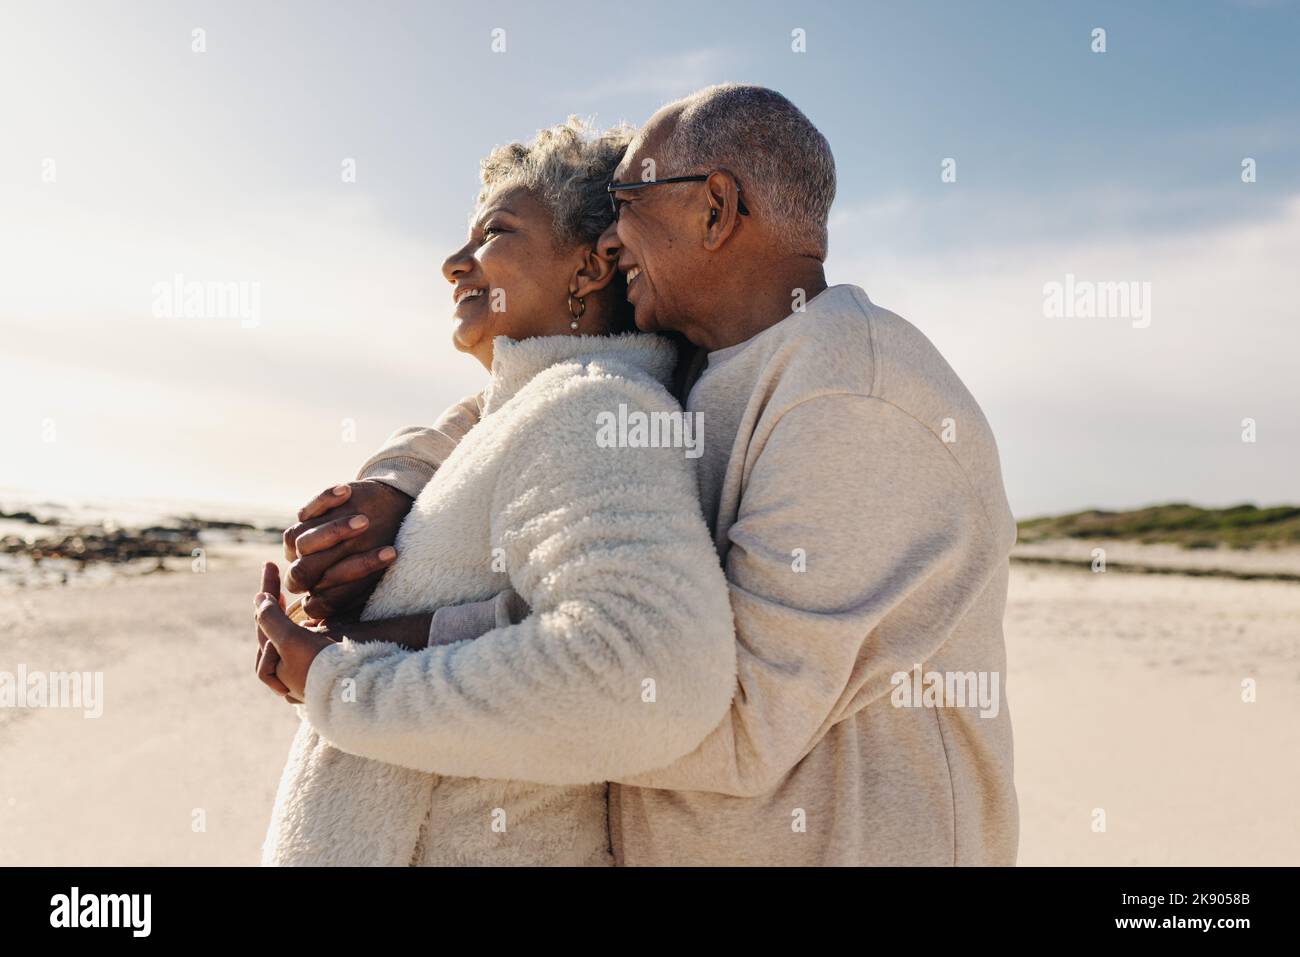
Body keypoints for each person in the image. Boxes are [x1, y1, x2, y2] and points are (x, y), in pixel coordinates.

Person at [281, 85, 1020, 866]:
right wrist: (397, 482)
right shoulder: (706, 365)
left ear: (715, 208)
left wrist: (371, 656)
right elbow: (524, 405)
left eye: (628, 199)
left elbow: (719, 716)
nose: (613, 233)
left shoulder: (848, 393)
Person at [255, 117, 736, 866]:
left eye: (492, 234)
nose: (453, 263)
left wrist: (338, 680)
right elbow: (523, 614)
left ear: (591, 267)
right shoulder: (524, 416)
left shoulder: (593, 408)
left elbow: (651, 672)